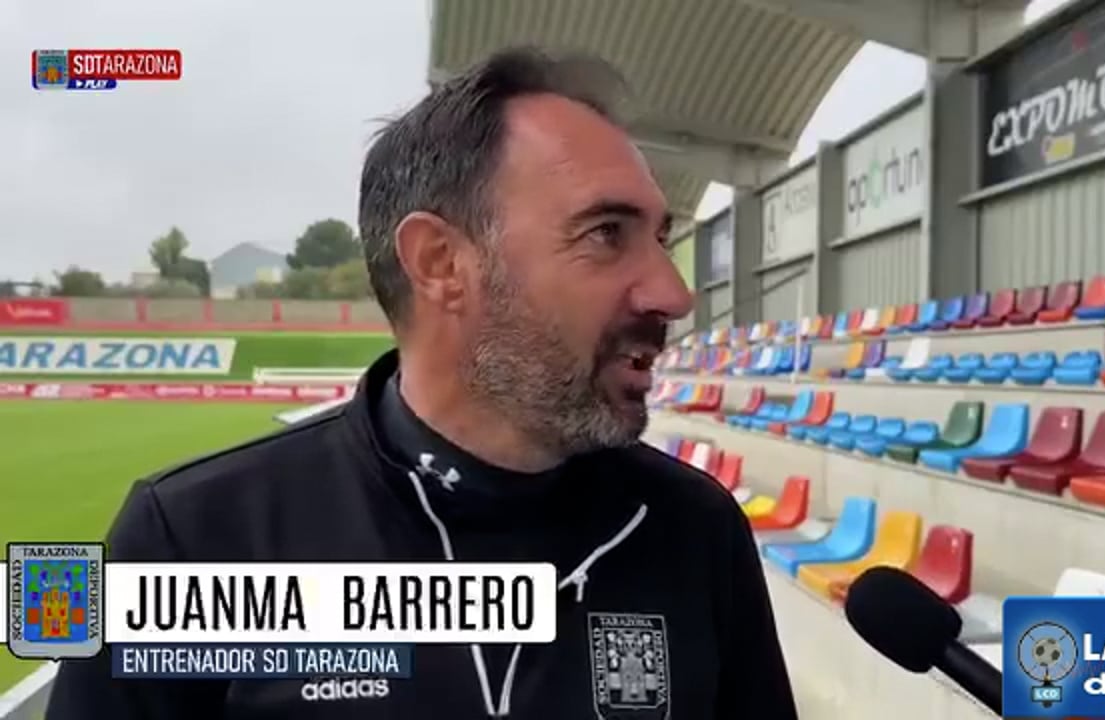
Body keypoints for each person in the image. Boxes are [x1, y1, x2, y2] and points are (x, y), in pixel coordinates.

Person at [46, 47, 798, 719]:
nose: (673, 292)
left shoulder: (695, 531)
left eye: (659, 238)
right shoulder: (194, 539)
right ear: (440, 262)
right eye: (606, 234)